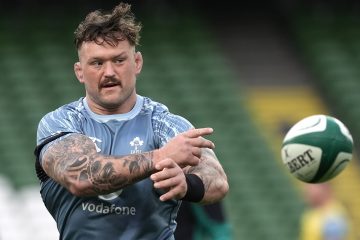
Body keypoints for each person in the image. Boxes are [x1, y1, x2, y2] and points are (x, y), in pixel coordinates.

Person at [33, 3, 229, 239]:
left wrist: (188, 184)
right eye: (97, 63)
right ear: (79, 71)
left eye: (119, 60)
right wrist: (160, 156)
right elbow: (81, 178)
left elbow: (217, 181)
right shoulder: (62, 122)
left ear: (137, 63)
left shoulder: (163, 123)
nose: (109, 72)